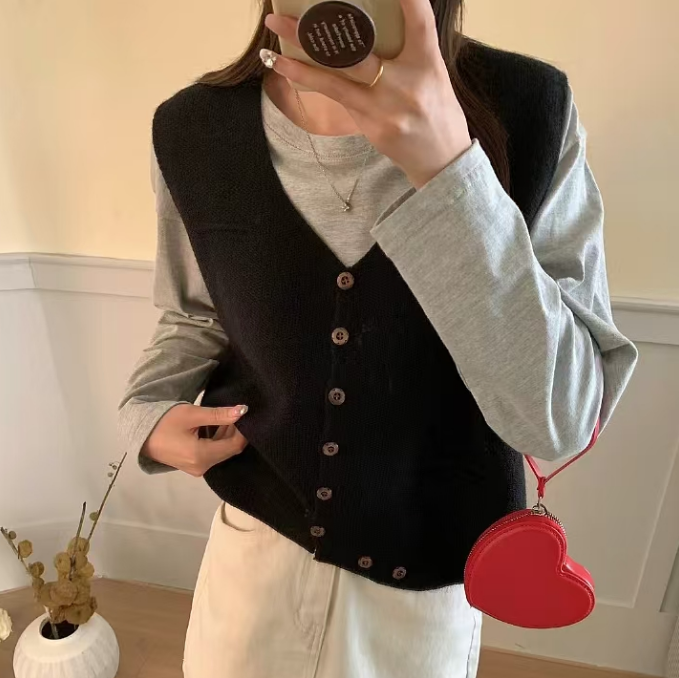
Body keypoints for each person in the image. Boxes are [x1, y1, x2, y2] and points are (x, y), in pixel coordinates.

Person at [118, 0, 638, 676]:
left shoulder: (531, 110)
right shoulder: (192, 129)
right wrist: (145, 414)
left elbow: (560, 421)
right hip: (254, 558)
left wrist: (451, 172)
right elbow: (195, 313)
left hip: (425, 589)